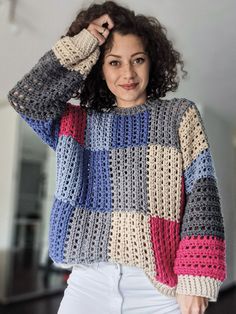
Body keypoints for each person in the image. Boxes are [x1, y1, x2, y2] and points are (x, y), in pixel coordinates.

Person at [7, 1, 226, 313]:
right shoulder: (79, 123)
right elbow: (26, 98)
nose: (128, 73)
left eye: (137, 60)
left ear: (152, 62)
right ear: (99, 65)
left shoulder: (179, 115)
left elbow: (202, 195)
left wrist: (196, 277)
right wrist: (84, 43)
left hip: (157, 290)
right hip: (89, 282)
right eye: (114, 62)